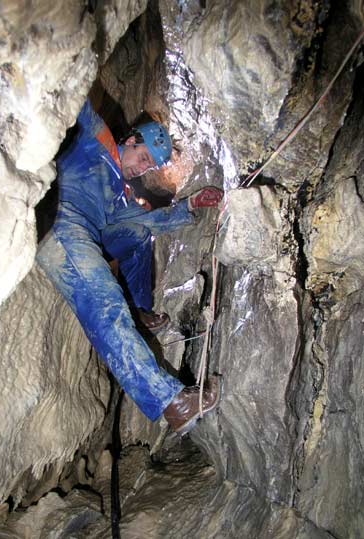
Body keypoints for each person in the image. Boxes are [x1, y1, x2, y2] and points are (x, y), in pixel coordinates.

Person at [37, 97, 222, 434]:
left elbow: (150, 221)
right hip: (60, 224)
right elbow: (72, 97)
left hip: (91, 229)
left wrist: (191, 203)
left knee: (137, 234)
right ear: (130, 139)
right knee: (105, 301)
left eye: (149, 166)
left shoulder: (120, 193)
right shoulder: (97, 137)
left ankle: (138, 311)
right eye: (143, 157)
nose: (142, 167)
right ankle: (173, 403)